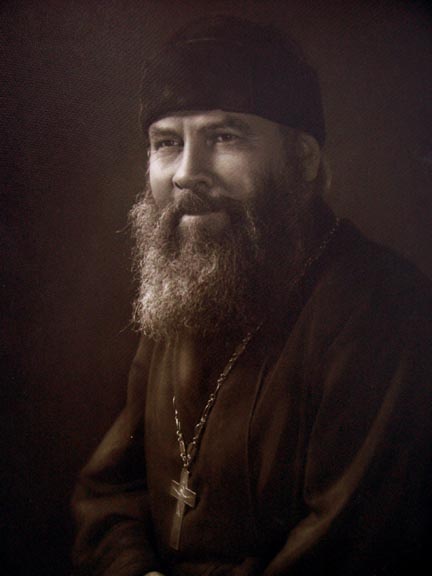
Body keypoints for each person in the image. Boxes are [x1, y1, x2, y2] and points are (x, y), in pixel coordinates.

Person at [71, 15, 432, 576]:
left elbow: (349, 545)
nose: (188, 173)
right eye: (167, 143)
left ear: (303, 158)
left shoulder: (384, 306)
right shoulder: (188, 292)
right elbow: (110, 493)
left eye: (224, 137)